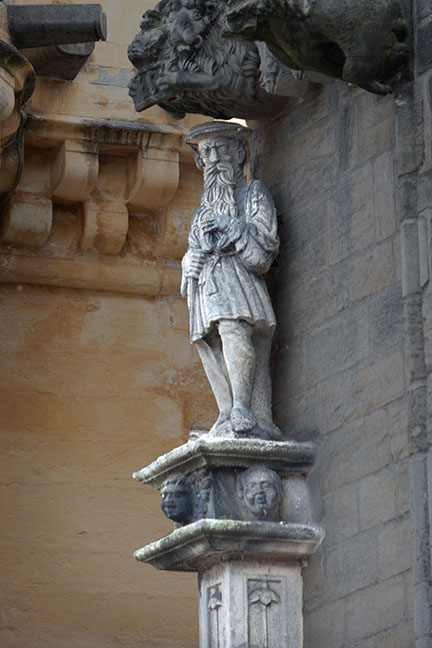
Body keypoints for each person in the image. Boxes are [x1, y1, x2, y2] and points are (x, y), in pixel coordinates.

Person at [182, 121, 281, 438]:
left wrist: (233, 227)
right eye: (207, 152)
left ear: (239, 154)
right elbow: (193, 248)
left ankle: (243, 408)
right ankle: (226, 411)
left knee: (233, 331)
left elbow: (265, 244)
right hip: (207, 284)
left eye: (221, 150)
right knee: (211, 342)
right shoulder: (200, 212)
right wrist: (188, 262)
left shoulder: (253, 193)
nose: (213, 160)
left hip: (238, 279)